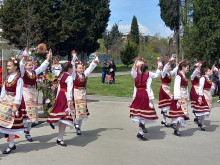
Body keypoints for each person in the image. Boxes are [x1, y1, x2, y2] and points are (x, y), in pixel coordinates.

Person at [19, 49, 51, 142]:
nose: (31, 66)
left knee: (32, 113)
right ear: (25, 66)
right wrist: (24, 57)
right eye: (29, 65)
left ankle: (28, 132)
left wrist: (48, 59)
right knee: (28, 111)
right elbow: (21, 66)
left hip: (33, 91)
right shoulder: (23, 72)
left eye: (32, 65)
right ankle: (25, 129)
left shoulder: (34, 72)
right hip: (26, 91)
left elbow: (42, 68)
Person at [0, 57, 26, 154]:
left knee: (10, 125)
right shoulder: (7, 77)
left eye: (10, 66)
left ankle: (11, 145)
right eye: (7, 66)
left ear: (15, 67)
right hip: (6, 101)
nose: (8, 67)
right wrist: (0, 99)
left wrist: (16, 105)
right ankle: (10, 143)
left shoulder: (19, 79)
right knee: (3, 122)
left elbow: (19, 92)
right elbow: (4, 90)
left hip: (13, 101)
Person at [47, 62, 74, 146]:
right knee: (65, 118)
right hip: (65, 97)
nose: (73, 70)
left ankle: (59, 137)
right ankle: (59, 138)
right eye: (72, 68)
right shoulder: (69, 77)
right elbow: (69, 90)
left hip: (60, 96)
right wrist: (69, 102)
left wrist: (57, 98)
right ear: (69, 68)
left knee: (61, 116)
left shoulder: (62, 75)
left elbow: (59, 88)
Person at [72, 53, 99, 135]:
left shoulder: (84, 74)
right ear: (76, 69)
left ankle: (79, 128)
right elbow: (73, 65)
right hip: (76, 93)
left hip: (83, 93)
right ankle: (76, 123)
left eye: (82, 68)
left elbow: (91, 68)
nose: (81, 69)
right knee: (78, 110)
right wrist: (74, 57)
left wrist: (95, 59)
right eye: (79, 68)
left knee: (82, 111)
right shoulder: (74, 75)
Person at [130, 64, 158, 141]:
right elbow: (148, 88)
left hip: (138, 94)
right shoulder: (147, 77)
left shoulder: (137, 77)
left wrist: (134, 97)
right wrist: (150, 98)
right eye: (147, 70)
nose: (148, 71)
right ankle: (141, 126)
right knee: (145, 112)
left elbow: (136, 87)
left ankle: (140, 133)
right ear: (146, 70)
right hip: (144, 94)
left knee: (140, 113)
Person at [168, 61, 189, 136]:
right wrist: (178, 98)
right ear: (183, 67)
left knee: (183, 114)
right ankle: (174, 126)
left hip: (183, 95)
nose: (188, 69)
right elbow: (176, 87)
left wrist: (187, 96)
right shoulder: (178, 76)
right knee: (179, 113)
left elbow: (186, 87)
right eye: (187, 67)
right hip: (179, 96)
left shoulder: (183, 76)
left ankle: (176, 129)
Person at [193, 65, 215, 131]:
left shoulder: (208, 78)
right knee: (204, 109)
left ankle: (200, 122)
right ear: (205, 72)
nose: (210, 72)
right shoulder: (203, 78)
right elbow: (200, 87)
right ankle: (200, 121)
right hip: (204, 94)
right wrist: (200, 96)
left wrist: (212, 69)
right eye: (208, 71)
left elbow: (210, 85)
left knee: (207, 110)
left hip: (208, 94)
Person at [159, 57, 179, 127]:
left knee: (166, 104)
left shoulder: (169, 73)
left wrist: (177, 66)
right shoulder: (164, 73)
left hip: (167, 88)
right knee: (172, 100)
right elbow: (164, 69)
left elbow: (174, 71)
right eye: (169, 66)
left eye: (170, 66)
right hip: (164, 88)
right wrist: (169, 61)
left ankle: (164, 120)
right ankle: (172, 120)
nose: (170, 67)